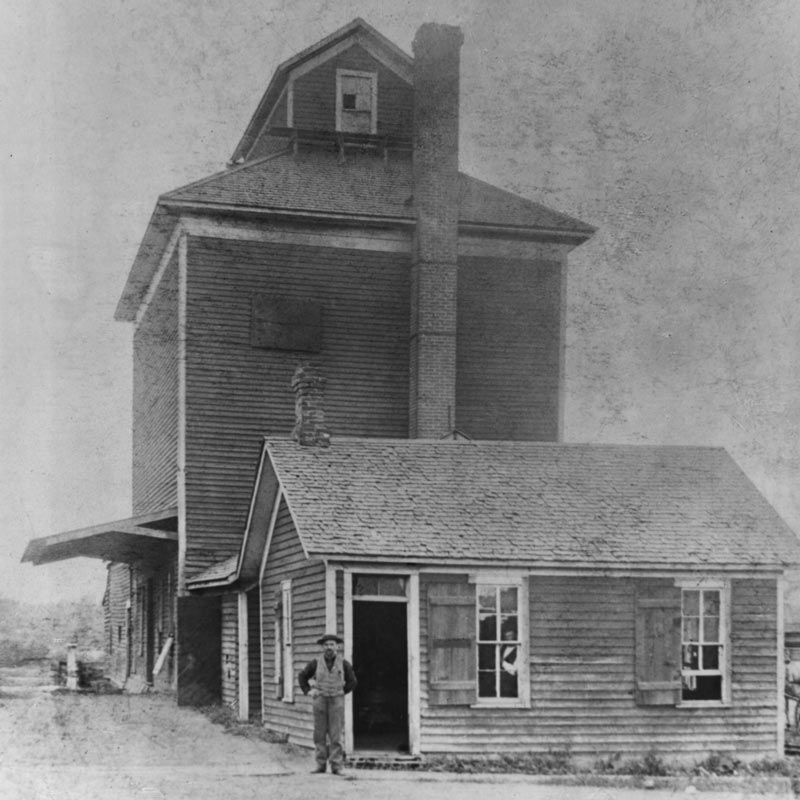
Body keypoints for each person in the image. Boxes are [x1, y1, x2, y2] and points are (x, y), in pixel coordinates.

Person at [298, 633, 357, 775]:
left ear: (337, 646)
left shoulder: (344, 663)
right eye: (326, 645)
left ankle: (337, 766)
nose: (329, 647)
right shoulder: (315, 662)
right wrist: (308, 691)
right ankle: (320, 765)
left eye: (331, 644)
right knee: (319, 734)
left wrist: (341, 691)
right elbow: (302, 676)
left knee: (336, 734)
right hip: (320, 700)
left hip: (336, 700)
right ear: (322, 647)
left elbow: (352, 681)